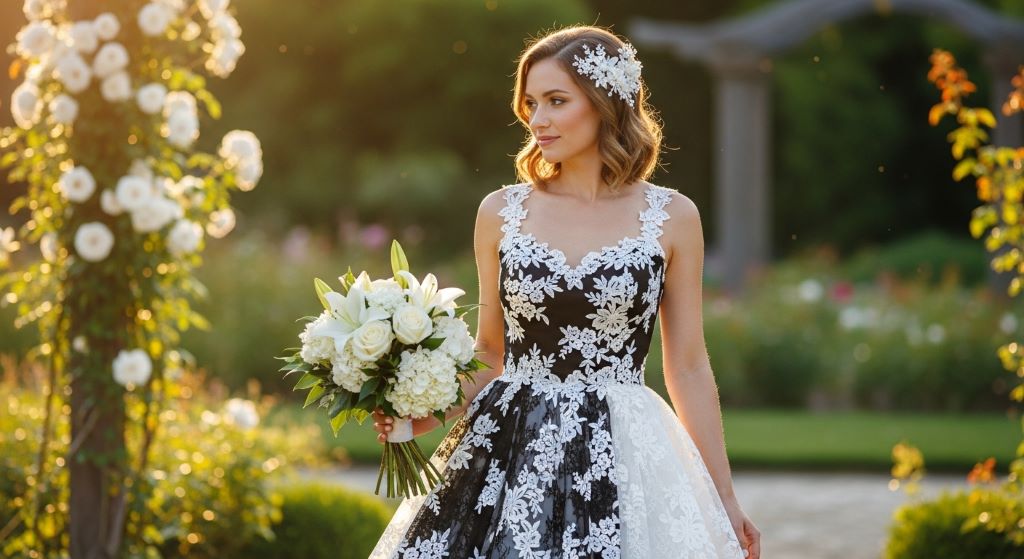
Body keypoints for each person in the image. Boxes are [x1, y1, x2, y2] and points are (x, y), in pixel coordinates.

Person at [369, 24, 761, 559]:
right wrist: (420, 419)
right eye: (530, 102)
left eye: (556, 101)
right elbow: (490, 353)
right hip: (510, 446)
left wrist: (723, 500)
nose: (538, 119)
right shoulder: (500, 212)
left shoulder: (672, 217)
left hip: (623, 447)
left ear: (605, 104)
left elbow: (688, 365)